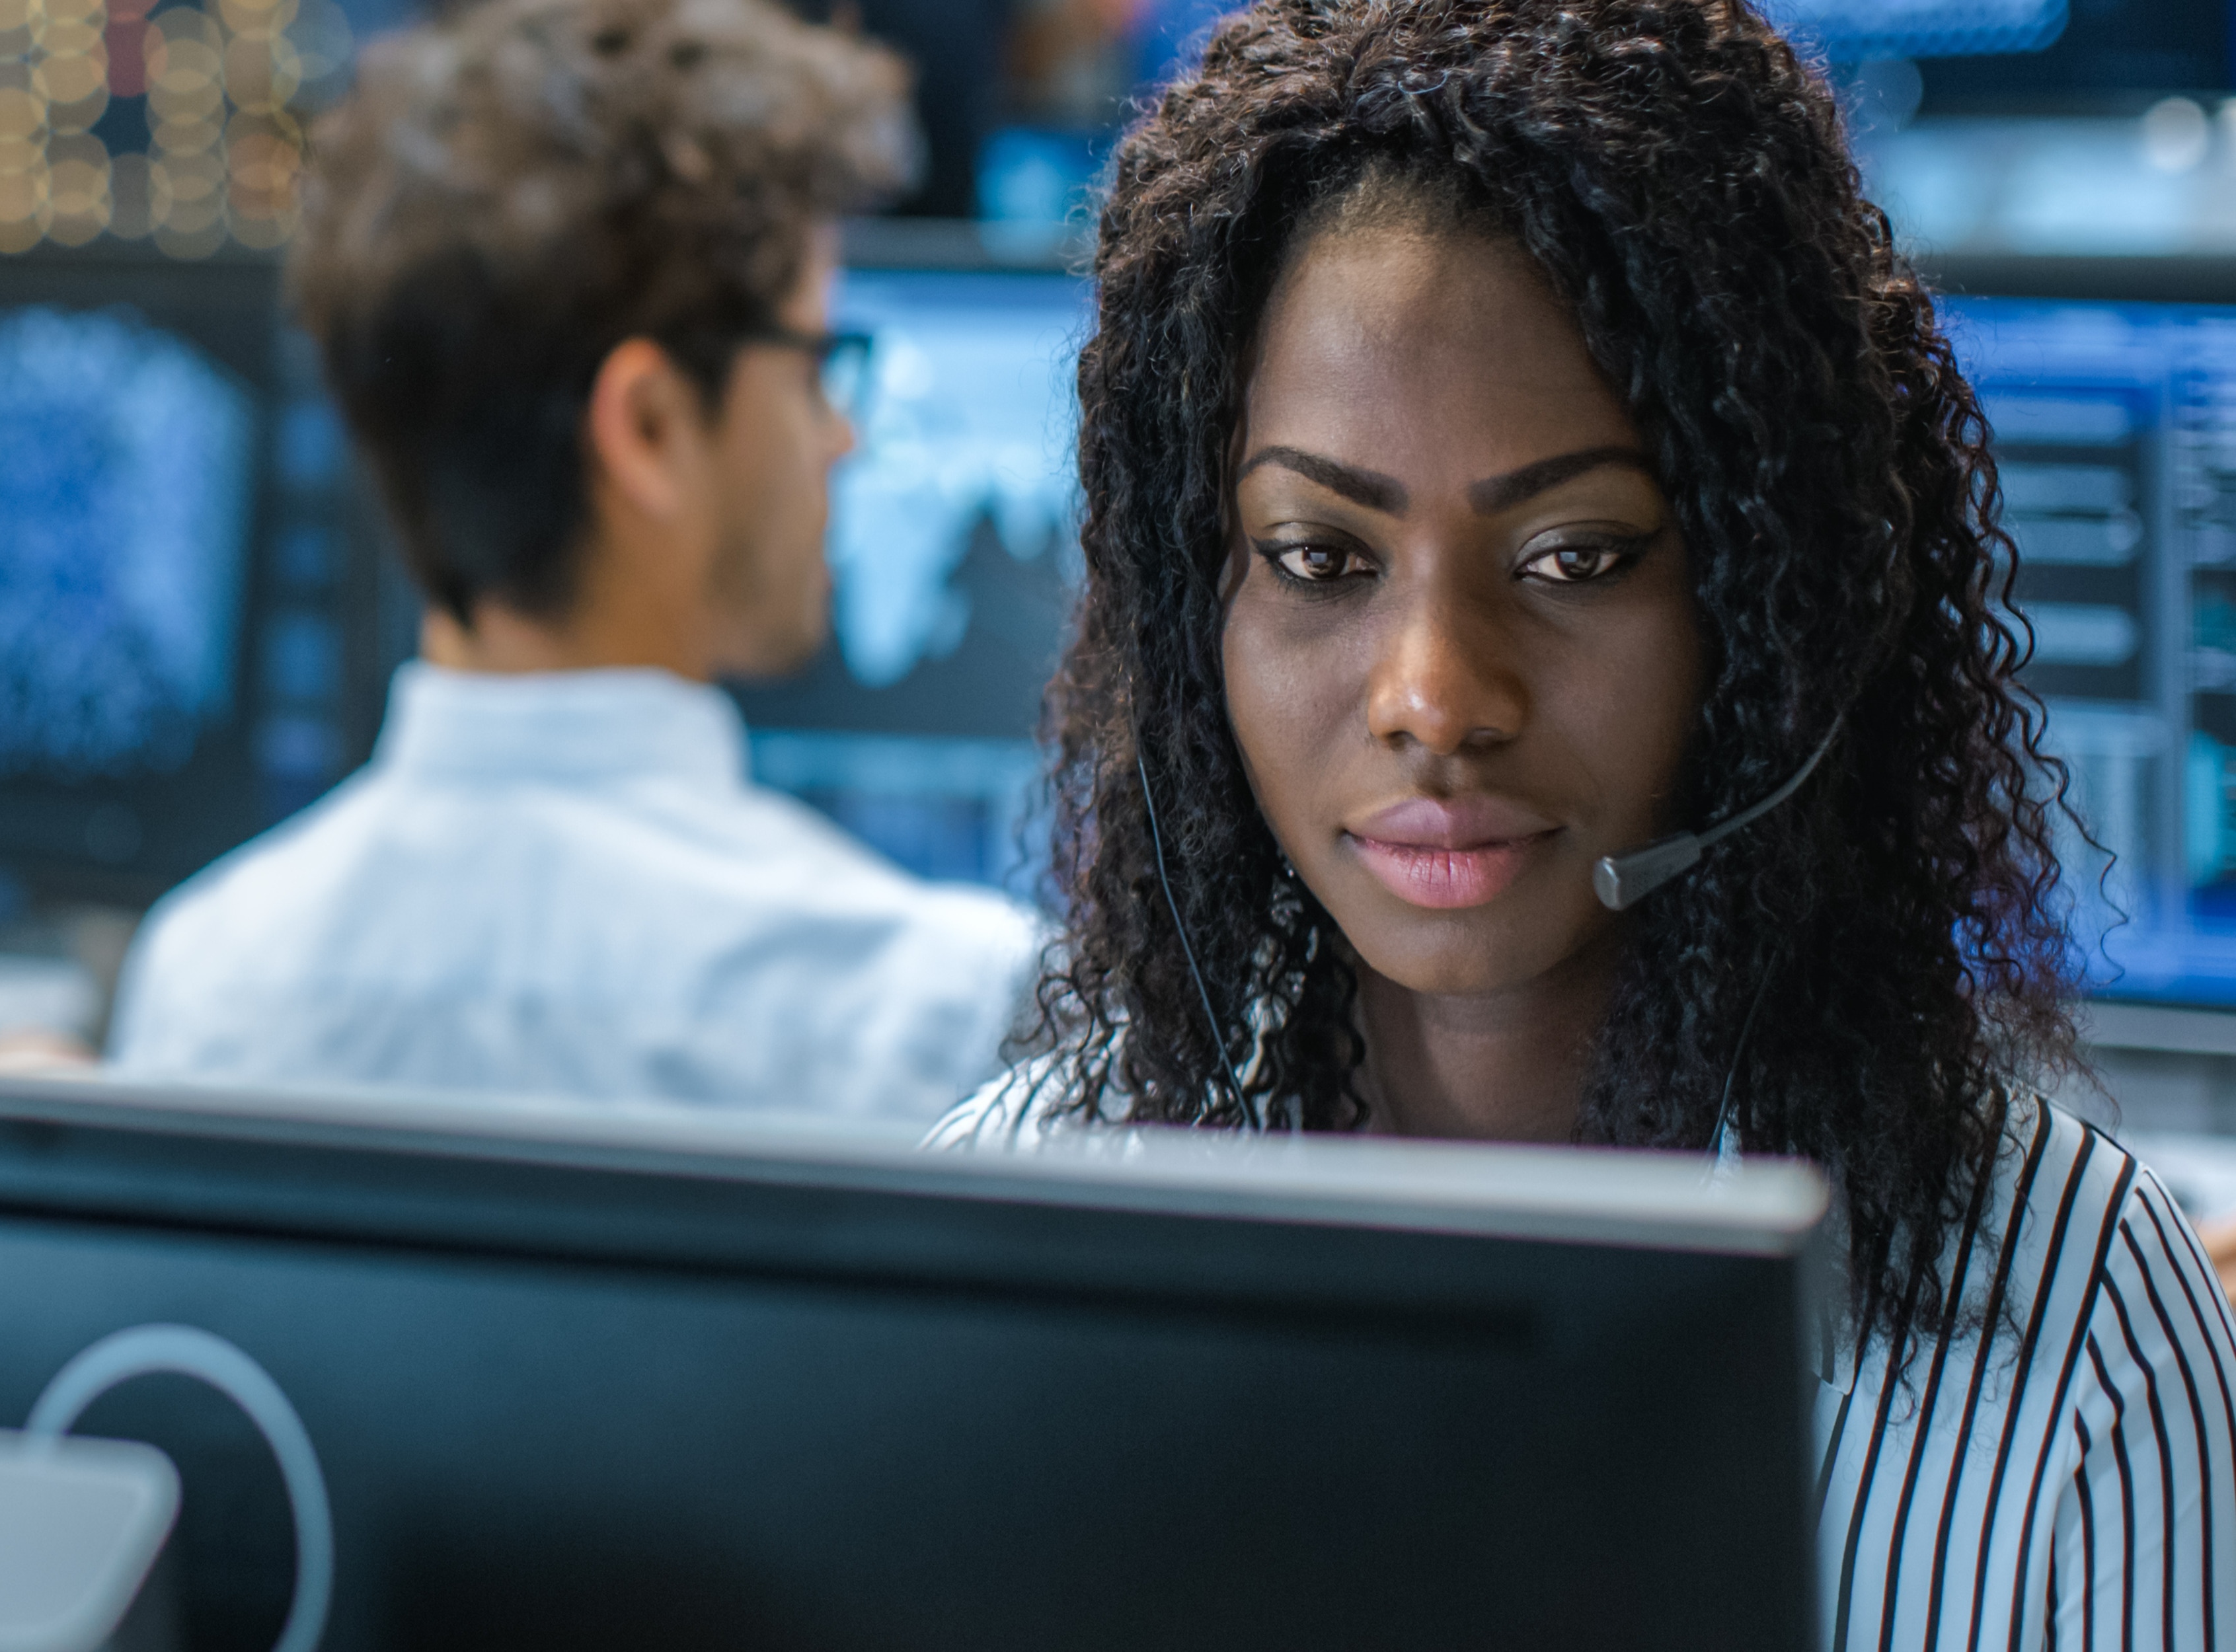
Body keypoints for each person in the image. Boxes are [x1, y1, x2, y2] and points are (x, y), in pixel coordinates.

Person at [929, 0, 2236, 1642]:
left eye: (1572, 557)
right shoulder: (999, 1242)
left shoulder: (2066, 1335)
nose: (1434, 694)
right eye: (1319, 559)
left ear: (1765, 606)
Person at [109, 0, 1043, 1119]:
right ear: (646, 428)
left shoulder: (205, 979)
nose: (843, 436)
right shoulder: (926, 1013)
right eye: (813, 367)